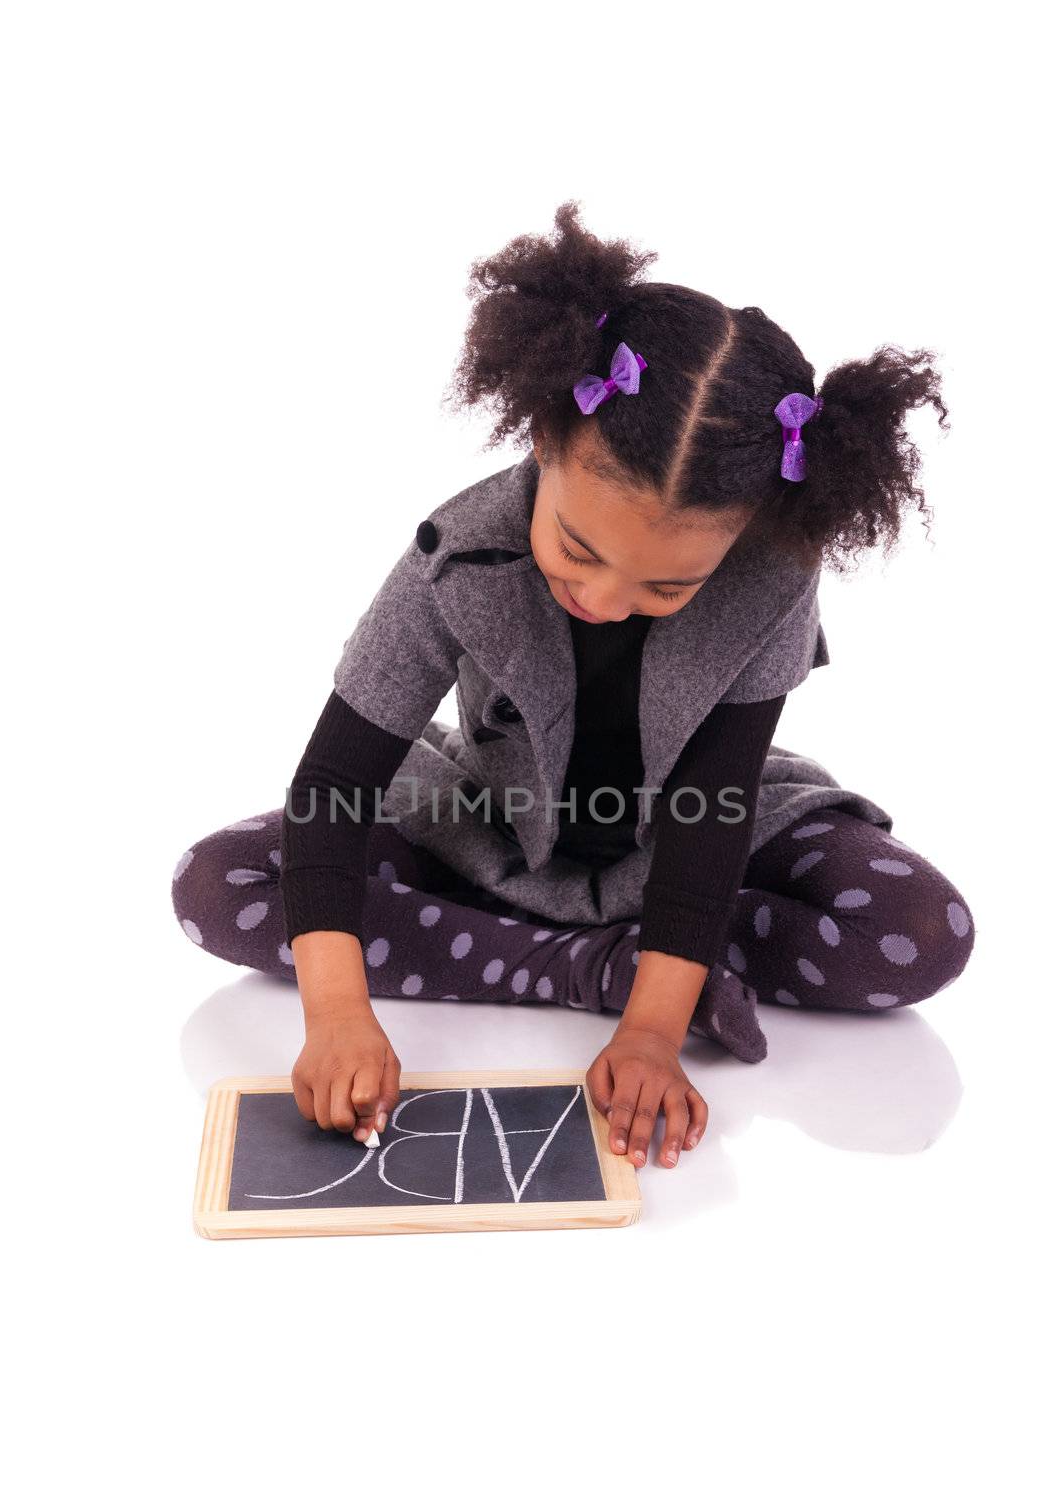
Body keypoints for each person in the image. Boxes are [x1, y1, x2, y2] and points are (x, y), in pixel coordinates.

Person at [172, 200, 975, 1170]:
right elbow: (332, 789)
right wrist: (337, 1015)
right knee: (220, 883)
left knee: (917, 931)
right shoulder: (453, 553)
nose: (603, 596)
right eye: (576, 549)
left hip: (696, 836)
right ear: (545, 440)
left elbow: (710, 809)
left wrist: (650, 1033)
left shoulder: (772, 579)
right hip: (491, 826)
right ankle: (581, 965)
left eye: (667, 585)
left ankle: (620, 965)